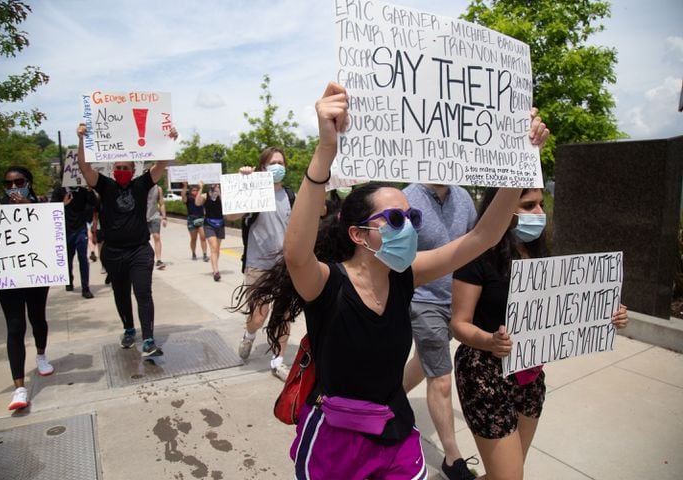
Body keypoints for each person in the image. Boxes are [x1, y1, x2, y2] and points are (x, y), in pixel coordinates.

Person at [240, 82, 549, 479]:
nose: (410, 228)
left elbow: (482, 237)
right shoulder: (327, 284)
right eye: (398, 220)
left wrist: (521, 161)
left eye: (413, 218)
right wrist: (325, 150)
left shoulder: (407, 276)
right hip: (337, 443)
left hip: (396, 436)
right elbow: (296, 253)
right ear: (357, 234)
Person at [450, 187, 629, 480]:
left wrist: (607, 313)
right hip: (484, 375)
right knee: (510, 476)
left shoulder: (540, 255)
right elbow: (459, 324)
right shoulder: (477, 256)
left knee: (510, 471)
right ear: (502, 208)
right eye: (529, 205)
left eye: (541, 205)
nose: (540, 213)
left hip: (529, 376)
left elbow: (565, 308)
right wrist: (490, 341)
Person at [76, 123, 177, 357]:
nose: (122, 170)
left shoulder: (141, 184)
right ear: (113, 170)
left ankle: (149, 339)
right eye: (118, 167)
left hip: (139, 251)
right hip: (113, 252)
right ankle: (129, 329)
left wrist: (169, 140)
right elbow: (84, 167)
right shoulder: (105, 185)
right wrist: (82, 139)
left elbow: (161, 164)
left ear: (133, 169)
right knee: (120, 294)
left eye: (126, 167)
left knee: (143, 293)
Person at [401, 183, 478, 480]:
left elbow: (477, 242)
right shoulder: (408, 197)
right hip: (423, 300)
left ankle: (389, 397)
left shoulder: (463, 197)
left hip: (459, 297)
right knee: (441, 376)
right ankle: (452, 457)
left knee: (425, 361)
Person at [0, 166, 55, 410]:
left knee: (37, 317)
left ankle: (41, 355)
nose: (12, 188)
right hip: (8, 276)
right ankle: (19, 388)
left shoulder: (39, 205)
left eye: (18, 182)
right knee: (15, 326)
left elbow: (50, 228)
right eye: (8, 184)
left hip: (36, 273)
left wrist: (28, 204)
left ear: (28, 182)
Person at [234, 146, 296, 381]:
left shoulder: (291, 196)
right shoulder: (252, 190)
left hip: (285, 265)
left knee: (283, 315)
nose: (277, 167)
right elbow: (229, 216)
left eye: (280, 163)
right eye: (272, 163)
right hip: (257, 264)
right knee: (259, 315)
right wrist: (242, 183)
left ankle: (278, 361)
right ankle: (250, 335)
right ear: (262, 168)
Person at [51, 184, 98, 298]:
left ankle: (85, 288)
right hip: (65, 230)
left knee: (83, 258)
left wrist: (90, 191)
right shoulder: (59, 191)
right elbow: (52, 209)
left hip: (80, 229)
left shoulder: (83, 190)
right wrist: (63, 204)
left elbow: (95, 204)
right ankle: (69, 280)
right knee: (68, 258)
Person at [195, 182, 225, 281]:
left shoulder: (222, 195)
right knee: (214, 246)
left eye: (217, 185)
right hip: (209, 224)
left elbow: (226, 204)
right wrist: (200, 188)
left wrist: (219, 193)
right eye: (213, 185)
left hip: (220, 223)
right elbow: (197, 203)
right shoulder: (205, 196)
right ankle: (216, 271)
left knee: (217, 249)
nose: (215, 186)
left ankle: (215, 266)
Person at [181, 181, 208, 261]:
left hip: (201, 218)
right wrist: (185, 186)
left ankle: (205, 254)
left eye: (196, 190)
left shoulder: (201, 197)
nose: (195, 192)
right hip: (191, 219)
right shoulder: (188, 198)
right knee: (193, 238)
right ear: (190, 191)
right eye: (193, 190)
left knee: (203, 237)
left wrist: (201, 186)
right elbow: (183, 197)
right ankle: (193, 253)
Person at [146, 182, 167, 270]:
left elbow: (161, 203)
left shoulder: (158, 188)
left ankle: (158, 260)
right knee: (143, 239)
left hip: (155, 216)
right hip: (141, 218)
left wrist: (164, 217)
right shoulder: (141, 186)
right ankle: (146, 258)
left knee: (156, 236)